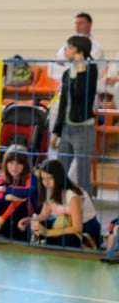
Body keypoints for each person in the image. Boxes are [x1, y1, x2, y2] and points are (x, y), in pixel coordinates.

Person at [51, 35, 98, 197]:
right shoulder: (66, 74)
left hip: (83, 128)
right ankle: (61, 204)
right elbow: (64, 104)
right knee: (60, 170)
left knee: (83, 174)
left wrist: (81, 69)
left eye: (69, 47)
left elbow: (80, 94)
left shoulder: (91, 70)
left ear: (79, 50)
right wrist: (56, 132)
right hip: (66, 128)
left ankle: (86, 208)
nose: (66, 50)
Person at [20, 159, 101, 248]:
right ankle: (47, 242)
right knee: (32, 227)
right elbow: (44, 215)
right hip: (63, 223)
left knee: (66, 240)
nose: (46, 182)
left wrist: (47, 233)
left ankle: (47, 242)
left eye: (50, 178)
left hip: (84, 228)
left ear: (58, 177)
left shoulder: (72, 195)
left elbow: (77, 227)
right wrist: (30, 220)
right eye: (43, 178)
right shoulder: (50, 190)